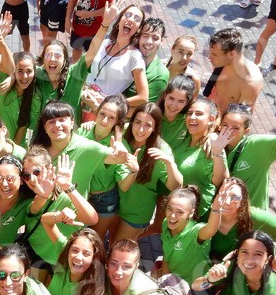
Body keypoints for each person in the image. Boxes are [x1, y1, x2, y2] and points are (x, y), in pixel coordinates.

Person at [21, 147, 98, 277]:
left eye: (37, 172)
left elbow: (92, 219)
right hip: (35, 253)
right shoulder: (26, 198)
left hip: (61, 258)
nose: (32, 179)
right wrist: (44, 195)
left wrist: (68, 187)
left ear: (50, 169)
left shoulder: (66, 197)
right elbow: (34, 209)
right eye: (26, 176)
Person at [113, 103, 183, 241]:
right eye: (138, 122)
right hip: (113, 203)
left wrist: (170, 164)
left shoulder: (161, 151)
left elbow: (176, 186)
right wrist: (89, 125)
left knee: (117, 247)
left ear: (155, 128)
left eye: (148, 125)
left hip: (136, 212)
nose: (141, 129)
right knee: (109, 243)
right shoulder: (123, 133)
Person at [32, 101, 129, 196]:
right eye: (51, 121)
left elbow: (120, 158)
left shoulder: (86, 147)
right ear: (45, 127)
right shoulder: (37, 153)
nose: (57, 125)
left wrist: (119, 144)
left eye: (62, 120)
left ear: (72, 122)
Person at [218, 101, 276, 209]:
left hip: (252, 213)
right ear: (219, 126)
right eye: (225, 125)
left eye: (236, 128)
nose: (228, 131)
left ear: (246, 131)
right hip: (222, 211)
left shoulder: (257, 145)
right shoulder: (213, 143)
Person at [209, 177, 276, 261]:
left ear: (242, 201)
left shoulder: (254, 216)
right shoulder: (207, 216)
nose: (227, 201)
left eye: (235, 197)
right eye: (223, 195)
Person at [76, 95, 128, 237]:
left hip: (104, 199)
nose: (104, 120)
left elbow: (124, 185)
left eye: (111, 118)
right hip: (80, 194)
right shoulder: (82, 132)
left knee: (95, 239)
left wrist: (133, 171)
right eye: (102, 114)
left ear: (117, 122)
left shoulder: (120, 147)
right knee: (75, 236)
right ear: (96, 112)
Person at [82, 1, 149, 110]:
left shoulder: (135, 57)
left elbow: (143, 97)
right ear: (119, 22)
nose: (131, 19)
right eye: (128, 15)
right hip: (82, 97)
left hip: (99, 109)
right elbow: (84, 63)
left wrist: (110, 102)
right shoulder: (105, 43)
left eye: (137, 19)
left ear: (139, 29)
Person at [160, 185, 223, 286]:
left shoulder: (195, 231)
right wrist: (164, 281)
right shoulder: (165, 223)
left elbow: (211, 229)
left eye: (180, 212)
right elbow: (166, 256)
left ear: (191, 213)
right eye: (170, 209)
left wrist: (216, 209)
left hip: (194, 288)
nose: (172, 216)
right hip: (172, 281)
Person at [175, 96, 227, 217]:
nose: (192, 117)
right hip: (178, 208)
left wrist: (217, 151)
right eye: (190, 113)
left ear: (211, 119)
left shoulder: (212, 147)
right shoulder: (185, 138)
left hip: (197, 214)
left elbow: (221, 181)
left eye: (199, 114)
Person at [204, 28, 264, 113]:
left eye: (214, 54)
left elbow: (242, 117)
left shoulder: (250, 82)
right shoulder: (222, 64)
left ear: (231, 54)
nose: (209, 57)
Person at [0, 51, 40, 146]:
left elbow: (23, 127)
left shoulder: (35, 97)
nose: (25, 76)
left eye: (29, 71)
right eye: (20, 71)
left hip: (15, 146)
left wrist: (11, 150)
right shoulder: (2, 79)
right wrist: (12, 76)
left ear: (34, 72)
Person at [124, 18, 169, 104]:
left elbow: (144, 109)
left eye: (155, 38)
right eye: (145, 35)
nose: (149, 42)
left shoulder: (160, 74)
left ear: (161, 41)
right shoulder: (127, 55)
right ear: (139, 37)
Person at [157, 74, 197, 157]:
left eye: (181, 101)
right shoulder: (153, 115)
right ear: (165, 96)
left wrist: (211, 136)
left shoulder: (189, 120)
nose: (174, 105)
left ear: (187, 102)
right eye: (171, 98)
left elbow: (204, 132)